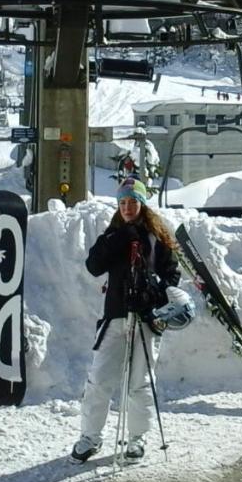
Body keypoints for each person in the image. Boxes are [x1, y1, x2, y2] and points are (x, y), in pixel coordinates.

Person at [71, 179, 183, 464]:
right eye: (123, 203)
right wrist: (120, 238)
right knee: (99, 379)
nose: (128, 208)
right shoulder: (114, 233)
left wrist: (154, 294)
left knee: (139, 383)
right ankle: (90, 437)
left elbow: (172, 276)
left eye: (133, 202)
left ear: (142, 204)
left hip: (146, 319)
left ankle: (136, 438)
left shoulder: (157, 236)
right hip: (115, 317)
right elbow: (93, 266)